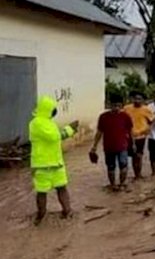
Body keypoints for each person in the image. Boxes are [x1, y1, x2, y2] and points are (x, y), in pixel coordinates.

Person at [29, 96, 78, 225]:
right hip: (42, 165)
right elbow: (54, 137)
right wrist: (70, 129)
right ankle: (41, 215)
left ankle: (67, 212)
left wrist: (69, 130)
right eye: (53, 109)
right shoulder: (36, 123)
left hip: (56, 163)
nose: (55, 111)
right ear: (47, 109)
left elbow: (56, 137)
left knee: (62, 188)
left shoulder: (49, 122)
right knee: (41, 192)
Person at [90, 95, 132, 191]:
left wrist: (132, 144)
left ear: (121, 105)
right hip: (109, 147)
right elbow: (99, 133)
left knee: (123, 165)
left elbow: (130, 132)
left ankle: (122, 184)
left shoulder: (125, 116)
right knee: (110, 166)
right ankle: (113, 185)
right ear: (109, 105)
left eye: (118, 106)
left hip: (122, 146)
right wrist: (94, 146)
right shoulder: (103, 117)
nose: (116, 108)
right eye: (114, 105)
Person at [123, 91, 153, 180]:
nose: (137, 101)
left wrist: (148, 129)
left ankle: (138, 174)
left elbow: (152, 121)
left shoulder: (146, 109)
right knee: (130, 155)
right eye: (135, 98)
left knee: (139, 155)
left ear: (143, 100)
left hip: (140, 136)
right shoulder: (126, 108)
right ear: (132, 99)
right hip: (128, 136)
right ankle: (129, 175)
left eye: (139, 99)